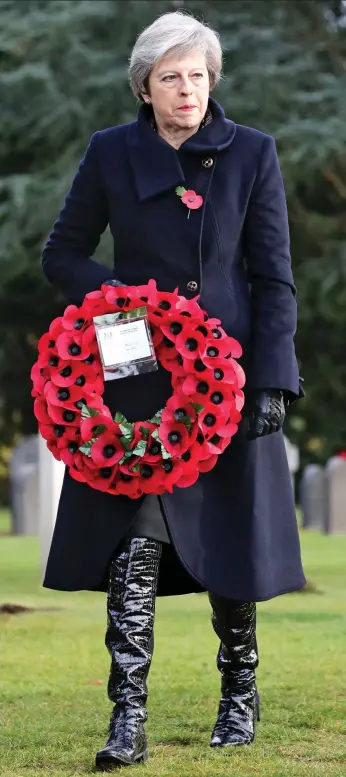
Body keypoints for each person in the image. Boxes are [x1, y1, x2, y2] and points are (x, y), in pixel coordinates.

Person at [41, 10, 306, 770]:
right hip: (133, 376)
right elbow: (63, 255)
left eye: (196, 75)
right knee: (134, 540)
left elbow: (273, 278)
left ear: (211, 80)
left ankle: (239, 695)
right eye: (170, 77)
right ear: (145, 86)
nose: (186, 89)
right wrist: (129, 297)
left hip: (225, 383)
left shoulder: (254, 153)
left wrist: (271, 379)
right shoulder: (110, 154)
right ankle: (127, 718)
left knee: (228, 538)